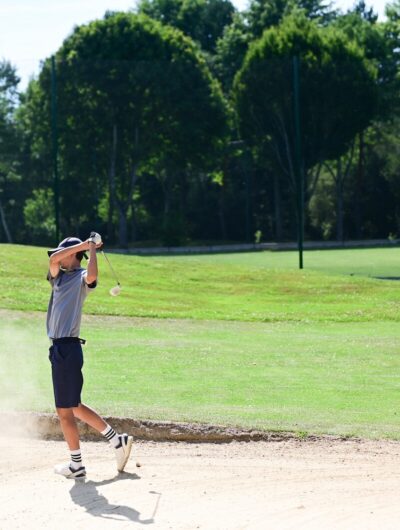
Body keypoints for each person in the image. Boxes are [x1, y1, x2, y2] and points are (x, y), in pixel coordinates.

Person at [47, 233, 133, 479]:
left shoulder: (81, 277)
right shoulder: (57, 277)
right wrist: (87, 244)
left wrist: (91, 249)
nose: (61, 257)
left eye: (67, 253)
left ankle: (79, 464)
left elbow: (93, 276)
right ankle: (117, 440)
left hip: (68, 348)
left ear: (74, 255)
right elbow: (53, 259)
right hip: (60, 350)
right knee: (72, 406)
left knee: (65, 410)